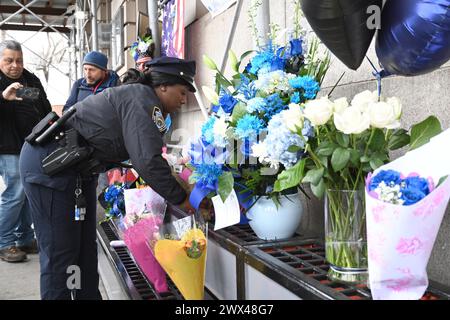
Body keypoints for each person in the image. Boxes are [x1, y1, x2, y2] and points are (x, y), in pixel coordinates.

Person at [18, 56, 196, 300]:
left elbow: (148, 155)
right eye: (183, 91)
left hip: (76, 173)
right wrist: (183, 199)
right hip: (50, 168)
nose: (184, 100)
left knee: (84, 252)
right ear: (164, 85)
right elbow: (147, 161)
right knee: (62, 254)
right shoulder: (142, 98)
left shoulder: (143, 101)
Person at [0, 40, 51, 263]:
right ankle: (4, 242)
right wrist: (3, 98)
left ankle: (24, 238)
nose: (14, 65)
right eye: (9, 60)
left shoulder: (30, 79)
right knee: (15, 193)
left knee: (28, 194)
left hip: (33, 146)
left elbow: (45, 107)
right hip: (7, 147)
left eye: (18, 60)